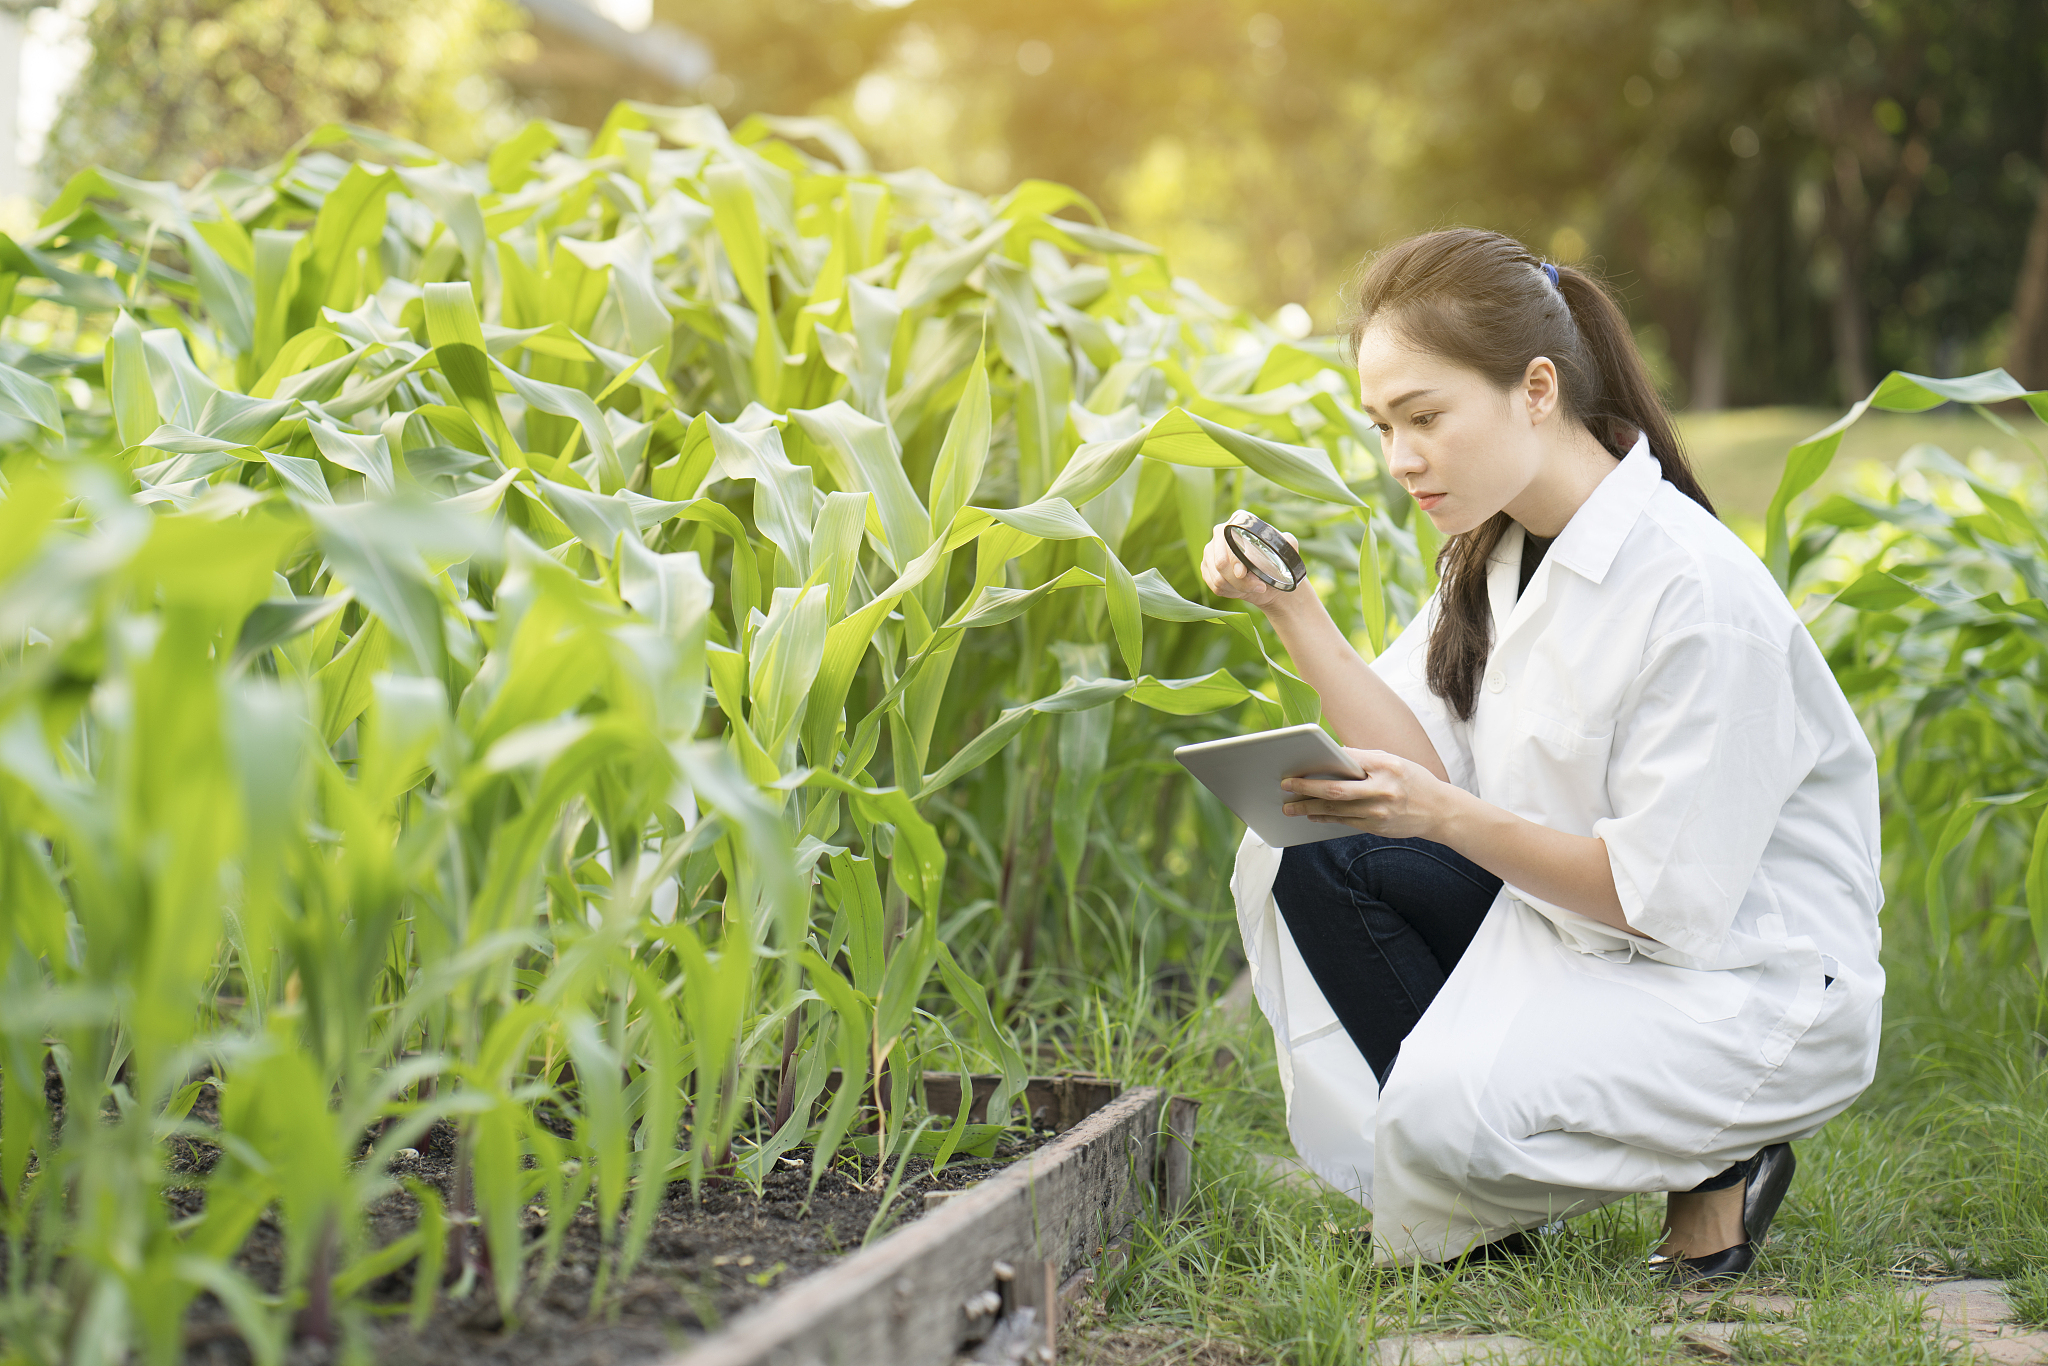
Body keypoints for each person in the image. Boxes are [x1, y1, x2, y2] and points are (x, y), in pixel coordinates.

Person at [1202, 228, 1883, 1279]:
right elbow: (1414, 755)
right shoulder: (1497, 552)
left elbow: (1653, 898)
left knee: (1432, 1118)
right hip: (1565, 925)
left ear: (1533, 388)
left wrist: (1440, 816)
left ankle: (1718, 1157)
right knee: (1307, 853)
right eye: (1382, 425)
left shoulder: (1692, 592)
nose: (1400, 459)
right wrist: (1291, 612)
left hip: (1729, 977)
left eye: (1424, 417)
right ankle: (1488, 1229)